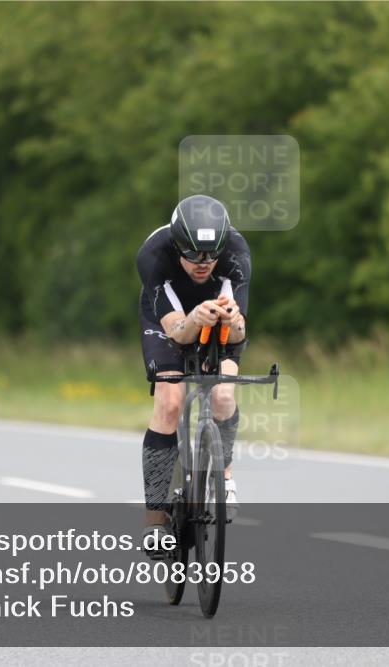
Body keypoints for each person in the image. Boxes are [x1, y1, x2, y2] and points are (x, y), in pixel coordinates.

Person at [136, 194, 251, 555]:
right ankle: (155, 521)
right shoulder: (154, 254)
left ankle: (225, 474)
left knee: (223, 395)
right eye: (192, 255)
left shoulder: (235, 251)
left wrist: (231, 322)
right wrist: (193, 319)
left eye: (210, 256)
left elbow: (240, 333)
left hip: (216, 319)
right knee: (170, 402)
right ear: (177, 245)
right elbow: (176, 330)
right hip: (167, 321)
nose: (203, 265)